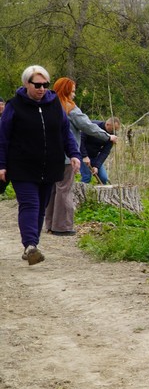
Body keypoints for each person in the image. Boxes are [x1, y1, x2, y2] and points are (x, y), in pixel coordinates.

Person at [0, 66, 81, 264]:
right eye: (37, 85)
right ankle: (30, 245)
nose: (42, 89)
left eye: (45, 84)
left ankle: (32, 245)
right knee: (30, 204)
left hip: (49, 165)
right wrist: (1, 164)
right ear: (26, 84)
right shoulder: (14, 106)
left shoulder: (55, 104)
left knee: (41, 206)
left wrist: (74, 154)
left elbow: (65, 132)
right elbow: (3, 137)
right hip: (21, 165)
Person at [45, 78, 117, 235]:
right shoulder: (70, 108)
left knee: (53, 190)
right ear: (65, 91)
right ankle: (62, 227)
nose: (74, 94)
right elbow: (88, 126)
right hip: (66, 157)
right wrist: (107, 136)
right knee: (64, 190)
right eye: (72, 91)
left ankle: (50, 224)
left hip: (49, 156)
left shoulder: (47, 105)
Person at [80, 116, 122, 184]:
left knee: (103, 178)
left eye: (115, 130)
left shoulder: (112, 135)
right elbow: (80, 140)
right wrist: (85, 156)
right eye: (112, 129)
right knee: (86, 176)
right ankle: (80, 190)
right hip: (81, 154)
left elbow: (105, 152)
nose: (114, 132)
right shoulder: (92, 125)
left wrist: (97, 166)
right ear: (107, 124)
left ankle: (97, 190)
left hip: (94, 156)